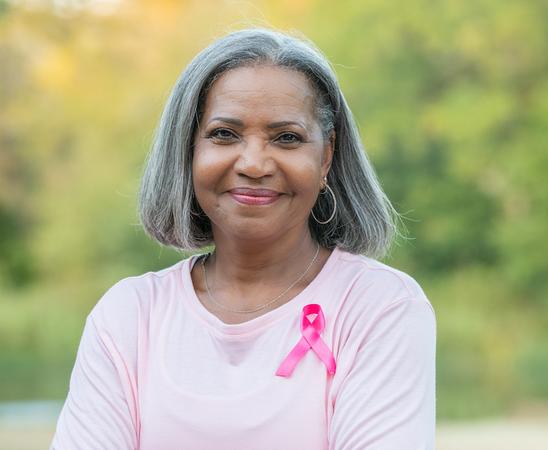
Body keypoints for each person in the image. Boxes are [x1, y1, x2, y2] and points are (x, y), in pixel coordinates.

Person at [51, 28, 436, 449]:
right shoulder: (128, 317)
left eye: (286, 137)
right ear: (189, 150)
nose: (253, 164)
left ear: (325, 156)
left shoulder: (380, 307)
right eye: (224, 134)